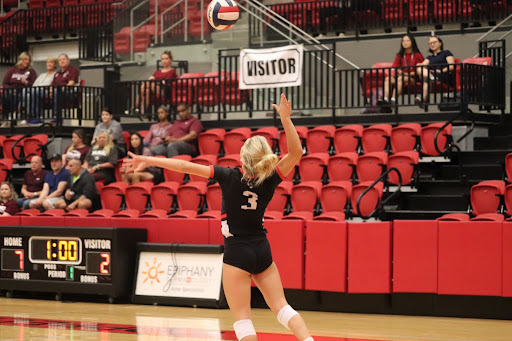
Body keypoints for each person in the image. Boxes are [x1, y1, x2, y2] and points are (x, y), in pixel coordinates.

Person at [124, 94, 315, 341]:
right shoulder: (270, 178)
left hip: (237, 251)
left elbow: (185, 167)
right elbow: (297, 151)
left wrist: (145, 159)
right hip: (261, 248)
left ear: (242, 157)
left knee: (243, 319)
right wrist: (286, 120)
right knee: (282, 308)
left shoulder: (228, 176)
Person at [379, 35, 424, 113]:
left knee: (401, 78)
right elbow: (395, 68)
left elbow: (419, 70)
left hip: (413, 79)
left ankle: (393, 99)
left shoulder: (417, 55)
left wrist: (406, 74)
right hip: (401, 76)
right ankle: (385, 100)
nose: (405, 43)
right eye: (403, 41)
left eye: (407, 41)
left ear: (412, 42)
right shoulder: (399, 55)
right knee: (388, 79)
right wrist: (398, 71)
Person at [130, 50, 178, 115]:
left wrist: (155, 80)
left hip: (165, 90)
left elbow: (167, 82)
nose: (164, 61)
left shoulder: (172, 71)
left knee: (148, 85)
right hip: (154, 88)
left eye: (166, 59)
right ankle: (142, 112)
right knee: (146, 90)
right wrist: (152, 79)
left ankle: (135, 107)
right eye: (162, 59)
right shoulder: (157, 71)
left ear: (171, 60)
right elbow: (151, 78)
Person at [415, 35, 456, 108]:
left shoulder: (446, 53)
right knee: (420, 69)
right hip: (432, 75)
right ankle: (423, 99)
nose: (432, 44)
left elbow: (451, 66)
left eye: (434, 42)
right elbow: (423, 64)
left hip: (443, 74)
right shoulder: (430, 57)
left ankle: (423, 98)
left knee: (426, 79)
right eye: (430, 43)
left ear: (440, 43)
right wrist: (419, 64)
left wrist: (440, 71)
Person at [2, 52, 37, 126]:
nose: (27, 62)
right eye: (25, 59)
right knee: (5, 95)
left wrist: (26, 82)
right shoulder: (12, 70)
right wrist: (10, 89)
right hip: (11, 91)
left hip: (23, 91)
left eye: (28, 60)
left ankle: (12, 116)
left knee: (17, 97)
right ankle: (6, 118)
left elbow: (35, 84)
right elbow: (4, 83)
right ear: (20, 60)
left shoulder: (31, 71)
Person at [23, 57, 58, 124]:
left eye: (51, 62)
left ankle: (38, 116)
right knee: (26, 92)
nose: (49, 64)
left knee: (33, 92)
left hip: (46, 91)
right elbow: (34, 85)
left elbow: (50, 85)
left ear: (55, 64)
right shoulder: (42, 75)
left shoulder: (56, 74)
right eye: (48, 62)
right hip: (37, 90)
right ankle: (29, 114)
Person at [51, 53, 80, 123]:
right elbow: (52, 84)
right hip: (56, 92)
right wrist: (50, 91)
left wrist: (59, 90)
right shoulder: (57, 73)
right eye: (60, 60)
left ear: (68, 60)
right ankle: (36, 116)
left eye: (64, 59)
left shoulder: (72, 70)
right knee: (35, 93)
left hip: (70, 93)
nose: (62, 61)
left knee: (57, 92)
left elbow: (71, 83)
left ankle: (57, 116)